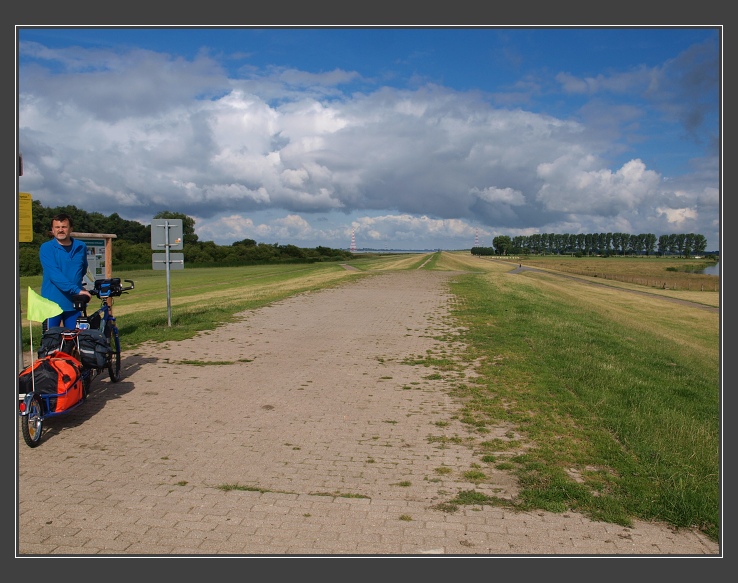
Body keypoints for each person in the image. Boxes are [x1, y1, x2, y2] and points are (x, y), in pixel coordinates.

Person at [39, 213, 92, 329]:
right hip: (52, 303)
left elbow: (82, 269)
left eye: (64, 227)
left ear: (70, 229)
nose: (60, 230)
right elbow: (55, 275)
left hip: (74, 303)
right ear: (52, 230)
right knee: (51, 341)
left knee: (75, 339)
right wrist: (76, 289)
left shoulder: (80, 247)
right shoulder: (46, 248)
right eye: (57, 227)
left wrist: (78, 286)